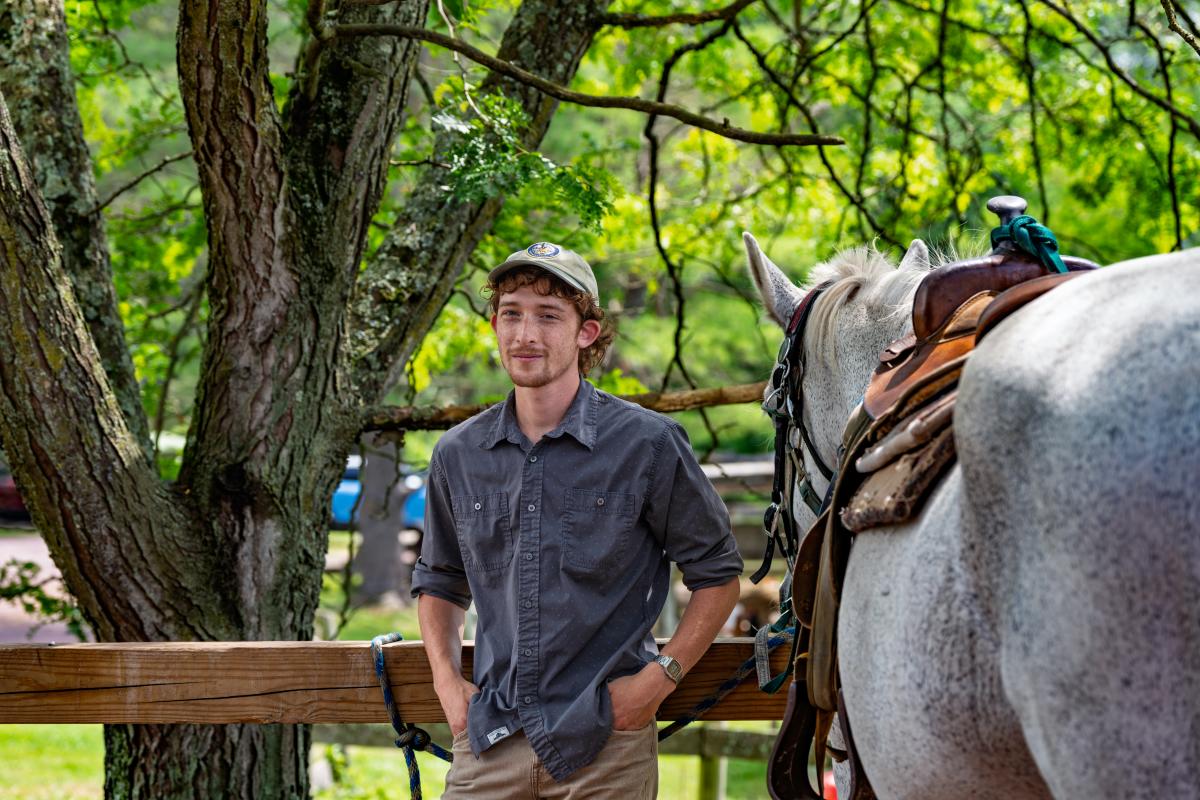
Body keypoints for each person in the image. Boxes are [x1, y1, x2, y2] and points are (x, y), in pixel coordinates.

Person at [412, 241, 743, 798]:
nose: (525, 335)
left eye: (548, 316)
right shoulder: (458, 454)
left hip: (606, 745)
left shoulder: (648, 444)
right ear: (494, 325)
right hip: (491, 739)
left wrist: (654, 686)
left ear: (586, 332)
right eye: (511, 314)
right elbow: (440, 582)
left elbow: (718, 577)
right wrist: (448, 688)